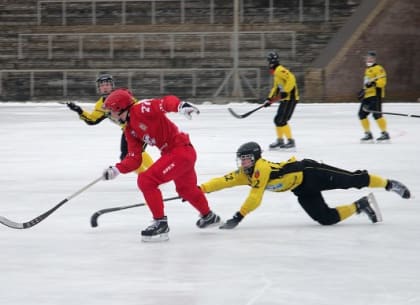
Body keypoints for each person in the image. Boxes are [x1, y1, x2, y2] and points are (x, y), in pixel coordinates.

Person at [200, 141, 411, 229]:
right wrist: (199, 191)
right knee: (325, 219)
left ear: (255, 158)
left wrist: (239, 216)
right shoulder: (244, 174)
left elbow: (255, 197)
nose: (242, 163)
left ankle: (389, 184)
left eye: (245, 159)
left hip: (310, 173)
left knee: (353, 180)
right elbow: (221, 182)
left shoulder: (261, 168)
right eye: (241, 160)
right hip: (300, 188)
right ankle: (361, 205)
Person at [101, 88, 221, 242]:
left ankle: (160, 224)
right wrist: (117, 169)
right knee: (186, 190)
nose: (110, 115)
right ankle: (209, 216)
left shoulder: (140, 109)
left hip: (180, 151)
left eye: (111, 111)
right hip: (176, 154)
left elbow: (164, 103)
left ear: (120, 108)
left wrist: (180, 106)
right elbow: (134, 159)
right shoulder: (129, 130)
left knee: (146, 180)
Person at [66, 74, 153, 172]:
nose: (105, 87)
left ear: (112, 86)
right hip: (127, 130)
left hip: (140, 126)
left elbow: (137, 108)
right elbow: (93, 120)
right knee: (125, 157)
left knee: (136, 153)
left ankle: (154, 173)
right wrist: (79, 110)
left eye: (107, 84)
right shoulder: (100, 105)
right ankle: (147, 176)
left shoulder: (122, 95)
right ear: (99, 88)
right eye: (102, 85)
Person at [263, 51, 299, 150]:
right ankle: (280, 141)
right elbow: (276, 88)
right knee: (277, 120)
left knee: (282, 120)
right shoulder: (276, 73)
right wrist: (269, 99)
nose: (269, 63)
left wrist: (286, 91)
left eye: (270, 61)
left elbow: (291, 78)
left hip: (291, 98)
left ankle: (291, 142)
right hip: (285, 99)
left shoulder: (280, 70)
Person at [358, 51, 389, 143]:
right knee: (361, 114)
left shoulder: (379, 68)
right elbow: (367, 84)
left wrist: (374, 83)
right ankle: (368, 134)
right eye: (367, 58)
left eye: (370, 58)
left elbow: (382, 82)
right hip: (367, 96)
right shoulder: (367, 69)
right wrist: (363, 90)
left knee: (377, 115)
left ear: (374, 59)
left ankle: (385, 134)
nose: (368, 59)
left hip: (376, 96)